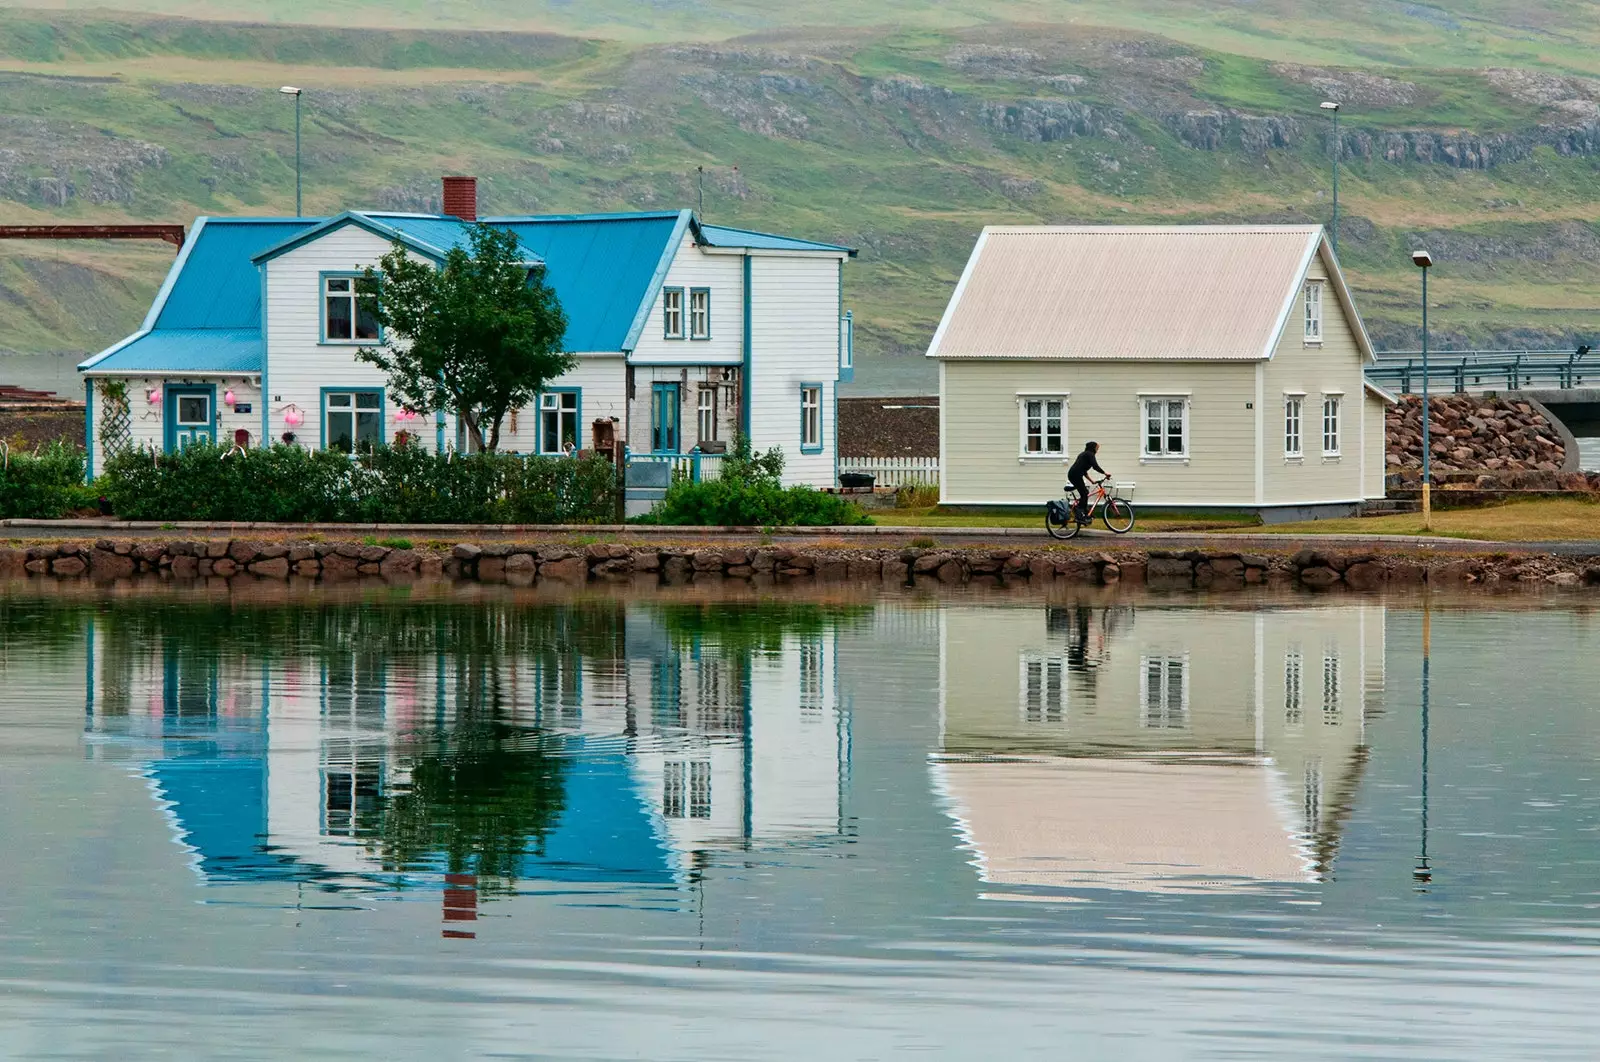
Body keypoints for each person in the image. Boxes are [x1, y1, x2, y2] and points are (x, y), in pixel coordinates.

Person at [1067, 441, 1108, 523]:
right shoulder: (1090, 454)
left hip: (1074, 474)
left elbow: (1084, 470)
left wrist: (1092, 481)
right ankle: (1080, 514)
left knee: (1085, 493)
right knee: (1084, 493)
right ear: (1093, 448)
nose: (1097, 450)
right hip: (1075, 475)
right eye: (1097, 448)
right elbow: (1095, 466)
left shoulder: (1084, 454)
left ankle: (1084, 513)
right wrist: (1105, 473)